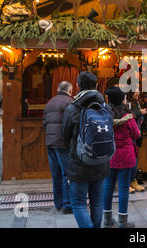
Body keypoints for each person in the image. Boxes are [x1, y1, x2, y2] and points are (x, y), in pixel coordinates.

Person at [62, 72, 110, 228]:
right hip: (101, 162)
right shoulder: (105, 107)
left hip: (79, 163)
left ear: (77, 86)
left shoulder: (72, 108)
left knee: (78, 204)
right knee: (97, 203)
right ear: (96, 86)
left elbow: (65, 136)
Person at [103, 86, 141, 228]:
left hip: (110, 156)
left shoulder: (105, 115)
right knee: (124, 188)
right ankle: (122, 222)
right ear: (121, 100)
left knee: (108, 187)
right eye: (125, 98)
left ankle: (107, 220)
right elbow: (137, 135)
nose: (126, 100)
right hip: (126, 156)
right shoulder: (128, 116)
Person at [43, 81, 73, 214]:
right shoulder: (69, 102)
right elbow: (72, 123)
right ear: (70, 90)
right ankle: (67, 204)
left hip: (50, 142)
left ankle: (58, 202)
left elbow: (45, 123)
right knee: (67, 174)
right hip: (63, 144)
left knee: (56, 174)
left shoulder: (50, 102)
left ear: (58, 88)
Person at [127, 91, 147, 193]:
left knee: (134, 157)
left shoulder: (137, 102)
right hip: (130, 133)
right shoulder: (128, 102)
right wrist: (140, 112)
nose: (137, 94)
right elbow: (128, 115)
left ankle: (133, 181)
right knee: (130, 158)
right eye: (135, 92)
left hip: (136, 132)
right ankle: (128, 182)